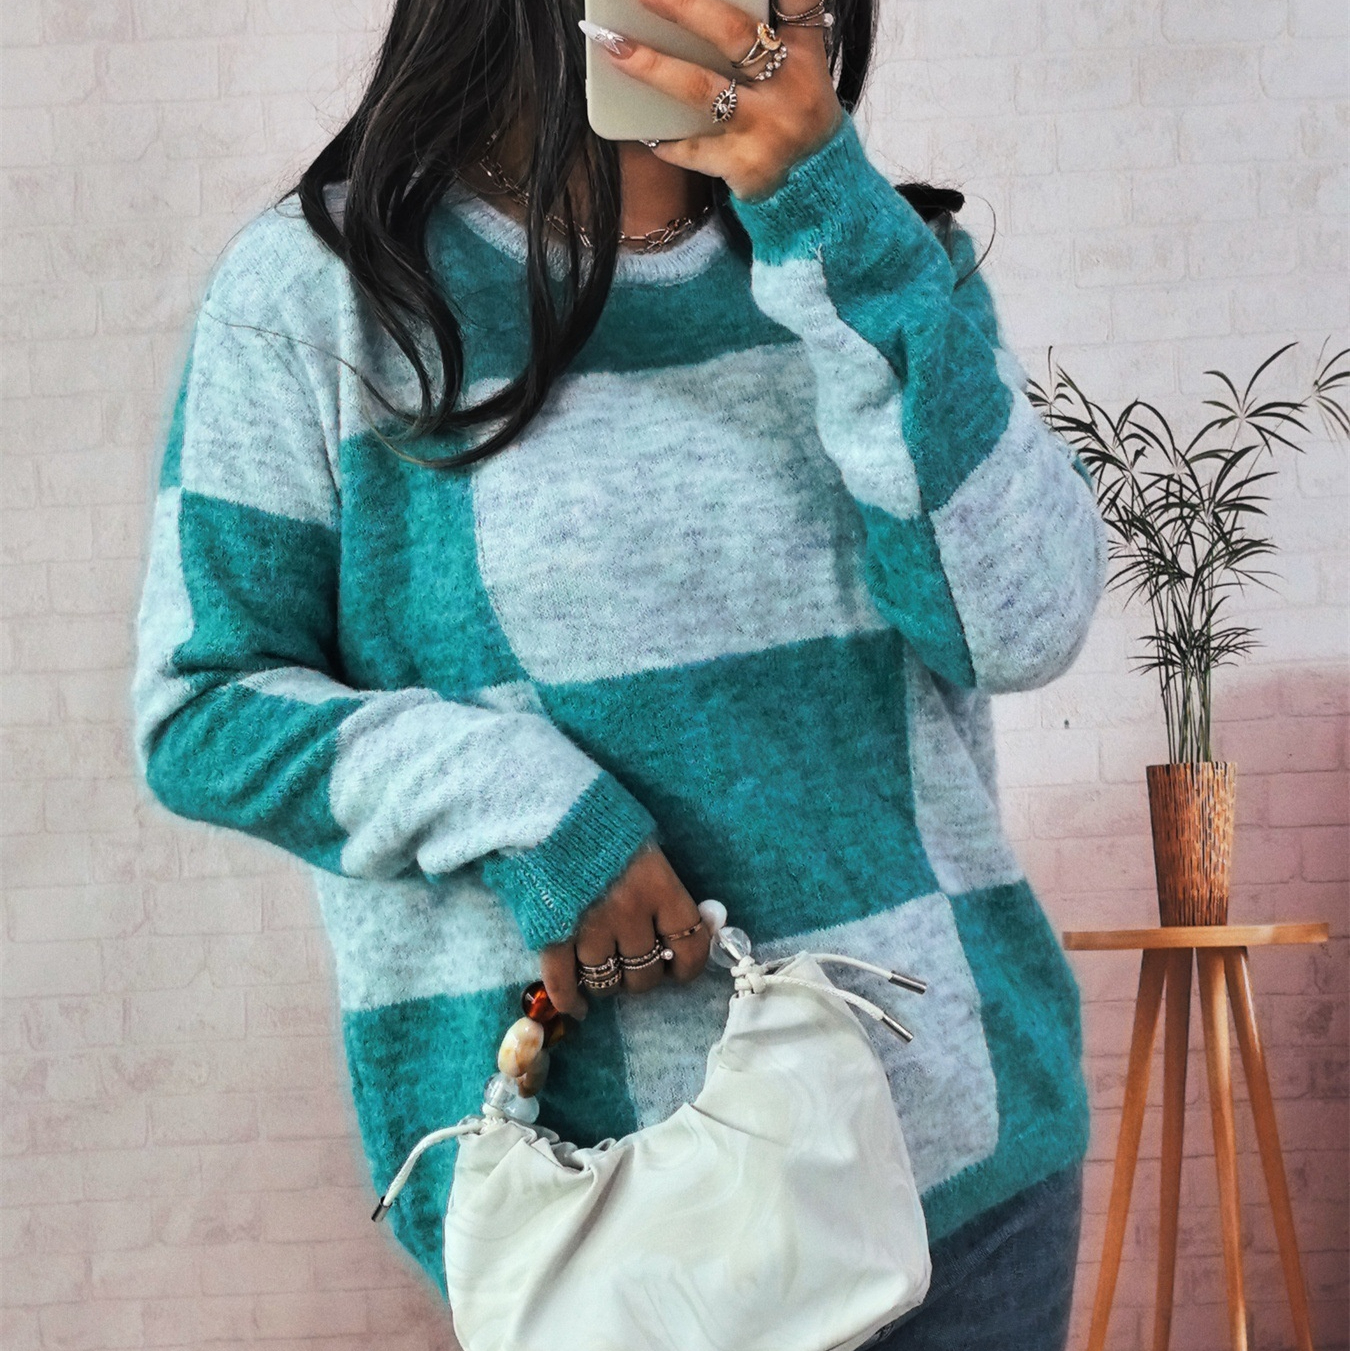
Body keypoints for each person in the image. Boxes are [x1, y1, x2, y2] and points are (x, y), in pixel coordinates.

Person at [130, 0, 1107, 1346]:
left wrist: (830, 214)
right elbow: (204, 701)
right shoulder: (328, 290)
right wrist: (529, 810)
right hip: (606, 1216)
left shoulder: (883, 257)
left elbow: (1022, 626)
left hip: (955, 1158)